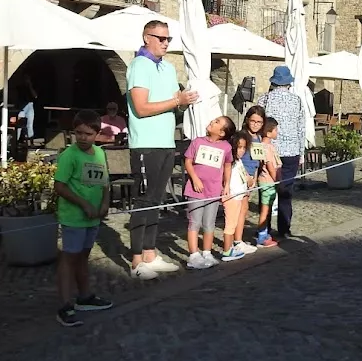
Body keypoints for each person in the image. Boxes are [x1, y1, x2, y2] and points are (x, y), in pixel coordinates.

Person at [126, 21, 199, 280]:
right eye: (161, 38)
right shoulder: (138, 65)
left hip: (166, 141)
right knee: (143, 201)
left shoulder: (168, 68)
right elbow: (141, 107)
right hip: (145, 143)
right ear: (147, 38)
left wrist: (185, 101)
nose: (166, 43)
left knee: (157, 201)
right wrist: (176, 100)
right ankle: (136, 261)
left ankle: (150, 253)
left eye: (168, 39)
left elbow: (175, 104)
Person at [52, 110, 114, 327]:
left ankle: (84, 296)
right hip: (74, 217)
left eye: (88, 134)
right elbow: (59, 186)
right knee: (69, 258)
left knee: (83, 257)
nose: (82, 138)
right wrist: (83, 203)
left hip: (93, 217)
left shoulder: (100, 154)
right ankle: (64, 305)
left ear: (97, 134)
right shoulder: (69, 155)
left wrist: (105, 203)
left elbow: (105, 182)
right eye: (78, 133)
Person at [258, 66, 306, 239]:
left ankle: (265, 228)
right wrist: (301, 152)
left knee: (266, 189)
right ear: (289, 83)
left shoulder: (264, 99)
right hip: (291, 150)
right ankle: (284, 229)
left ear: (273, 82)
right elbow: (301, 128)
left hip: (268, 150)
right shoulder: (297, 100)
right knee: (286, 190)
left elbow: (257, 125)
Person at [182, 116, 234, 270]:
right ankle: (193, 255)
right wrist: (195, 179)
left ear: (222, 132)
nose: (212, 121)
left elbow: (228, 166)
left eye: (217, 122)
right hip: (196, 190)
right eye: (214, 120)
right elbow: (188, 161)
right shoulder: (197, 142)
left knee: (209, 223)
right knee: (194, 222)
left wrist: (226, 184)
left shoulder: (226, 147)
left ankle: (207, 252)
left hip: (214, 190)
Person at [221, 132, 257, 262]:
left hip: (239, 195)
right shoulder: (229, 163)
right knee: (230, 225)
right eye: (239, 147)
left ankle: (231, 247)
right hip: (232, 196)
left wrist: (249, 180)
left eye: (243, 148)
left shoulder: (239, 161)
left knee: (234, 222)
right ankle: (227, 250)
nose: (241, 150)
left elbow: (245, 175)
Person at [239, 105, 265, 240]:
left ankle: (239, 237)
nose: (255, 125)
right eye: (253, 121)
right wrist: (246, 176)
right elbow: (237, 159)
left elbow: (257, 160)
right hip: (241, 175)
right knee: (241, 209)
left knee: (244, 208)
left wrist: (254, 177)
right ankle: (236, 239)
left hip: (251, 175)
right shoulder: (243, 136)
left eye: (259, 122)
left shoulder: (259, 138)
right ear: (247, 120)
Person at [255, 118, 280, 248]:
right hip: (268, 182)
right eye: (275, 130)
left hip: (269, 182)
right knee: (265, 211)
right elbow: (270, 166)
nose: (277, 132)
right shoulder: (266, 147)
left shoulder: (268, 146)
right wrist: (277, 180)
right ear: (269, 133)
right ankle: (261, 237)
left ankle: (264, 234)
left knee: (268, 209)